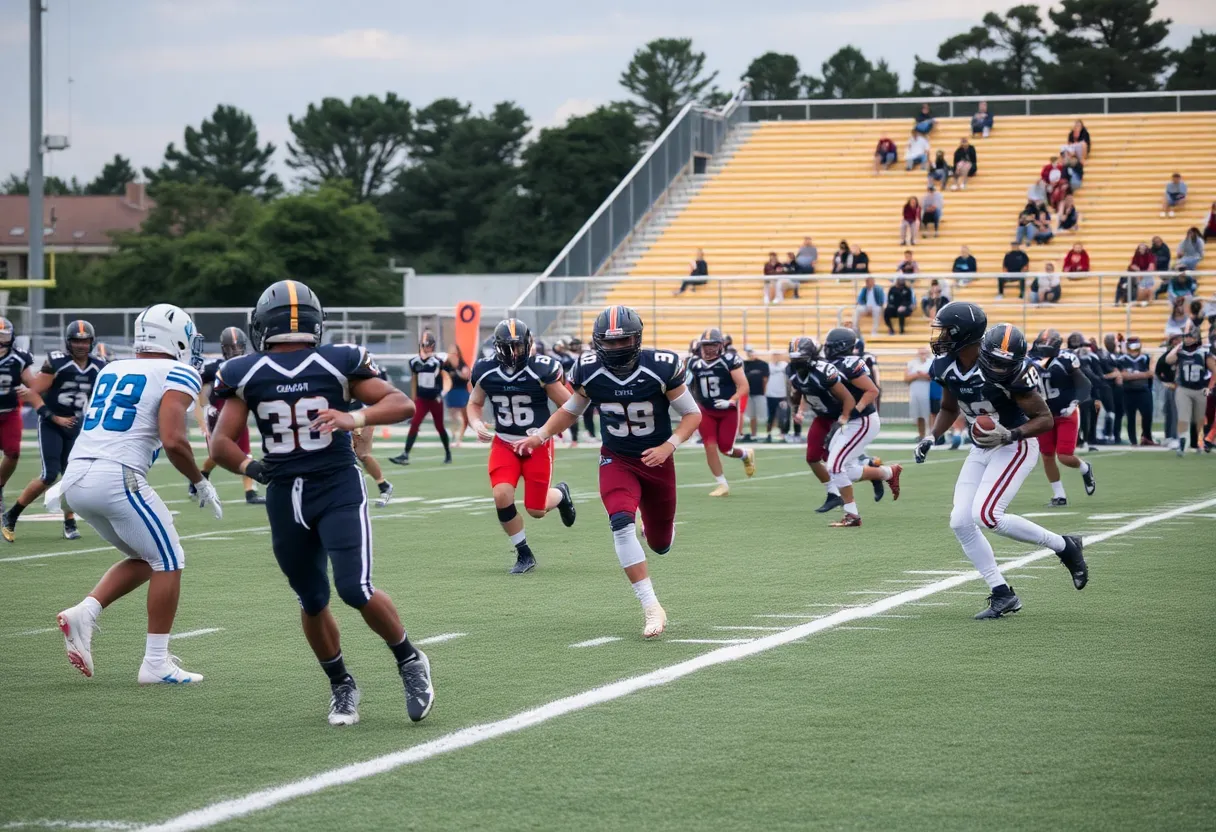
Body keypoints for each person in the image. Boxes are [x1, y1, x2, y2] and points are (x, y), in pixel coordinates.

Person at [211, 279, 434, 726]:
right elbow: (220, 444)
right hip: (286, 496)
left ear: (261, 323)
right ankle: (341, 684)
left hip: (335, 487)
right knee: (312, 598)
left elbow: (401, 404)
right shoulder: (254, 371)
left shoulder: (327, 363)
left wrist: (353, 416)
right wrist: (257, 469)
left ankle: (410, 660)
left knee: (353, 588)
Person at [50, 304, 222, 685]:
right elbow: (174, 440)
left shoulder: (111, 368)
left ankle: (85, 613)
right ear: (175, 339)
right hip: (116, 476)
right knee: (170, 559)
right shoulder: (178, 371)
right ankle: (156, 663)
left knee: (148, 557)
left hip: (76, 478)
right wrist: (200, 480)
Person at [518, 305, 702, 639]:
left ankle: (655, 525)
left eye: (623, 340)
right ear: (598, 341)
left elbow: (692, 414)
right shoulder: (588, 369)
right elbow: (571, 410)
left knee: (661, 544)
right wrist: (540, 435)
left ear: (637, 338)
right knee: (620, 524)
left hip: (657, 460)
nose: (616, 347)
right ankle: (651, 606)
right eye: (609, 341)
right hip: (617, 458)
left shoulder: (660, 366)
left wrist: (669, 446)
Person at [916, 303, 1088, 619]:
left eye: (947, 331)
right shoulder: (945, 366)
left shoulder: (1000, 364)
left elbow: (1044, 418)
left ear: (964, 334)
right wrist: (932, 436)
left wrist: (1009, 435)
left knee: (986, 514)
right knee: (960, 521)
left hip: (1014, 444)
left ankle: (1065, 546)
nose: (940, 338)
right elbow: (950, 408)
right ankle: (1001, 592)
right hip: (982, 447)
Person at [466, 319, 577, 574]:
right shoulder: (485, 369)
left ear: (528, 344)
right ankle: (523, 552)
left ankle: (561, 494)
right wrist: (476, 423)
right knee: (501, 495)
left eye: (517, 346)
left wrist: (544, 433)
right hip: (504, 443)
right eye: (508, 347)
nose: (513, 352)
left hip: (537, 444)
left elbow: (571, 407)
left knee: (536, 509)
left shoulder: (541, 369)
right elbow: (474, 403)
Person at [3, 321, 106, 542]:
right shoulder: (57, 362)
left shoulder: (98, 366)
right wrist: (54, 418)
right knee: (49, 475)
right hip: (51, 423)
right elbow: (32, 393)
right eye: (76, 341)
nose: (81, 345)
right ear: (68, 342)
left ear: (91, 342)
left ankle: (69, 521)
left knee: (73, 475)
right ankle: (11, 515)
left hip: (75, 425)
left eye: (85, 341)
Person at [820, 328, 899, 527]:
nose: (827, 349)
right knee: (843, 469)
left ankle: (852, 515)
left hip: (862, 420)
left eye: (831, 346)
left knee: (835, 466)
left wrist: (856, 410)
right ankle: (887, 473)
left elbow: (872, 390)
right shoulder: (831, 364)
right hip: (851, 421)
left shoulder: (849, 364)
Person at [192, 327, 266, 505]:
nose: (235, 351)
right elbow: (197, 387)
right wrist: (203, 410)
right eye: (231, 347)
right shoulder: (215, 367)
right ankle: (202, 474)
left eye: (238, 347)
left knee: (244, 452)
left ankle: (250, 492)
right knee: (218, 454)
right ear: (223, 348)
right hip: (217, 413)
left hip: (238, 412)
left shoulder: (248, 365)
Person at [1029, 330, 1095, 507]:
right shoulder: (1030, 360)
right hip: (1044, 415)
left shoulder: (1066, 360)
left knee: (1064, 456)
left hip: (1066, 412)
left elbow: (1085, 384)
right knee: (1047, 456)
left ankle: (1084, 467)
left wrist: (1074, 403)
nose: (1043, 348)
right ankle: (1059, 495)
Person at [687, 328, 756, 496]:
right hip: (706, 410)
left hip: (727, 411)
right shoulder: (693, 363)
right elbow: (684, 384)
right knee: (709, 446)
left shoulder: (729, 360)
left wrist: (731, 400)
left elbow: (744, 386)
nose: (709, 348)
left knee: (726, 449)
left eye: (713, 345)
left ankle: (745, 454)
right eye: (706, 345)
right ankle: (722, 484)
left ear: (720, 345)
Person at [390, 331, 451, 465]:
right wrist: (414, 399)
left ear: (433, 346)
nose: (426, 347)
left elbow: (447, 379)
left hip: (435, 399)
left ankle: (448, 452)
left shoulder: (438, 362)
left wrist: (442, 393)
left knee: (439, 426)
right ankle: (405, 454)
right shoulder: (414, 362)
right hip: (422, 399)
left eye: (428, 345)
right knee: (415, 423)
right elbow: (414, 380)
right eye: (424, 345)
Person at [0, 318, 35, 515]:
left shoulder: (19, 358)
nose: (0, 341)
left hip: (9, 411)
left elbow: (33, 384)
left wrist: (31, 390)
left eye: (4, 336)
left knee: (13, 453)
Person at [1164, 323, 1216, 455]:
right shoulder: (1181, 352)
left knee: (1198, 418)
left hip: (1199, 389)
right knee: (1183, 416)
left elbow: (1215, 370)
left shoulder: (1204, 353)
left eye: (1189, 336)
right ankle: (1182, 442)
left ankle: (1198, 442)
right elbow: (1168, 360)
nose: (1187, 339)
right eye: (1185, 336)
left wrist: (1209, 387)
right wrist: (1178, 347)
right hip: (1184, 389)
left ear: (1196, 338)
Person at [350, 360, 395, 507]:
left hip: (362, 413)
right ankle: (383, 485)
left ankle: (381, 485)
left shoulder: (362, 368)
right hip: (342, 414)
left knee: (361, 454)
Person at [1118, 336, 1155, 445]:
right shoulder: (1122, 359)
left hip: (1144, 390)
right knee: (1130, 417)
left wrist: (1132, 375)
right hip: (1128, 391)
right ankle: (1132, 440)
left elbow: (1151, 373)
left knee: (1147, 415)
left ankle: (1147, 437)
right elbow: (1123, 376)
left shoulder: (1146, 357)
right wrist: (1142, 375)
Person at [443, 343, 472, 446]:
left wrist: (458, 371)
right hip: (451, 391)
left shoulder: (462, 365)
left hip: (461, 391)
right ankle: (454, 437)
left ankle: (459, 439)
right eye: (450, 351)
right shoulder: (446, 365)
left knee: (462, 417)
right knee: (453, 416)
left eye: (454, 351)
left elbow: (466, 376)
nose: (452, 354)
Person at [905, 346, 933, 439]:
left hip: (928, 392)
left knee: (930, 414)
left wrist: (923, 375)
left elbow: (933, 377)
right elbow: (906, 378)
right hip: (915, 393)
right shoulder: (911, 363)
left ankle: (931, 434)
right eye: (921, 353)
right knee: (919, 414)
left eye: (924, 353)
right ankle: (921, 435)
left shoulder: (931, 363)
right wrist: (917, 375)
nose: (922, 355)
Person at [741, 347, 769, 441]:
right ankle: (754, 434)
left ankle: (768, 434)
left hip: (760, 393)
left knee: (764, 415)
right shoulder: (744, 364)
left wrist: (764, 392)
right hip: (749, 393)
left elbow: (765, 379)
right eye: (749, 353)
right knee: (752, 415)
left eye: (751, 352)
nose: (750, 354)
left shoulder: (763, 364)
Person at [765, 350, 789, 443]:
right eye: (774, 355)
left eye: (778, 355)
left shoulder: (785, 365)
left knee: (782, 415)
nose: (776, 357)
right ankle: (769, 434)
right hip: (770, 394)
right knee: (771, 415)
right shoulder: (768, 366)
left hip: (782, 395)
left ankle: (782, 434)